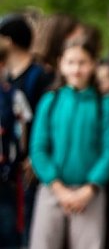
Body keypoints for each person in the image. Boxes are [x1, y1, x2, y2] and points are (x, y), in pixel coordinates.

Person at [29, 29, 109, 249]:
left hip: (90, 192)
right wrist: (57, 186)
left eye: (83, 62)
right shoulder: (50, 101)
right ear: (61, 64)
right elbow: (38, 147)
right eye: (71, 62)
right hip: (52, 188)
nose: (76, 68)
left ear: (93, 64)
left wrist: (89, 188)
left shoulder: (103, 103)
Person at [0, 27, 34, 247]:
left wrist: (24, 157)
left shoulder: (13, 96)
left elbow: (23, 130)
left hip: (7, 177)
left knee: (10, 232)